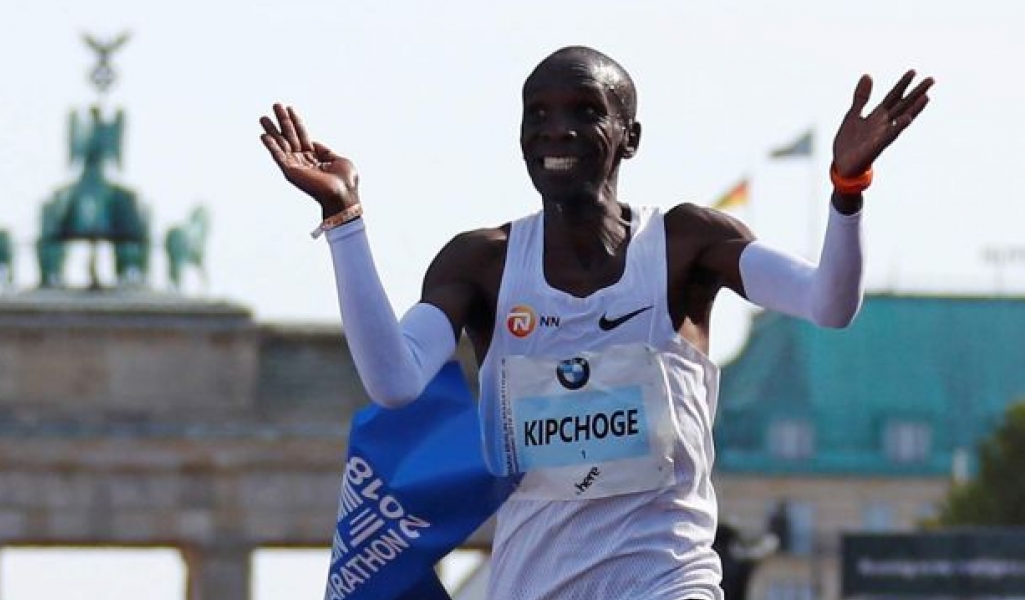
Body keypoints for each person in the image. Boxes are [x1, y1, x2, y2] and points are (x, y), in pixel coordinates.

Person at [260, 46, 932, 600]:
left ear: (629, 138)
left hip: (667, 581)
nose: (559, 130)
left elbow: (828, 305)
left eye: (585, 112)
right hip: (532, 583)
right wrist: (345, 221)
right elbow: (394, 380)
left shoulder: (686, 243)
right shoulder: (482, 262)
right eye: (540, 115)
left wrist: (848, 189)